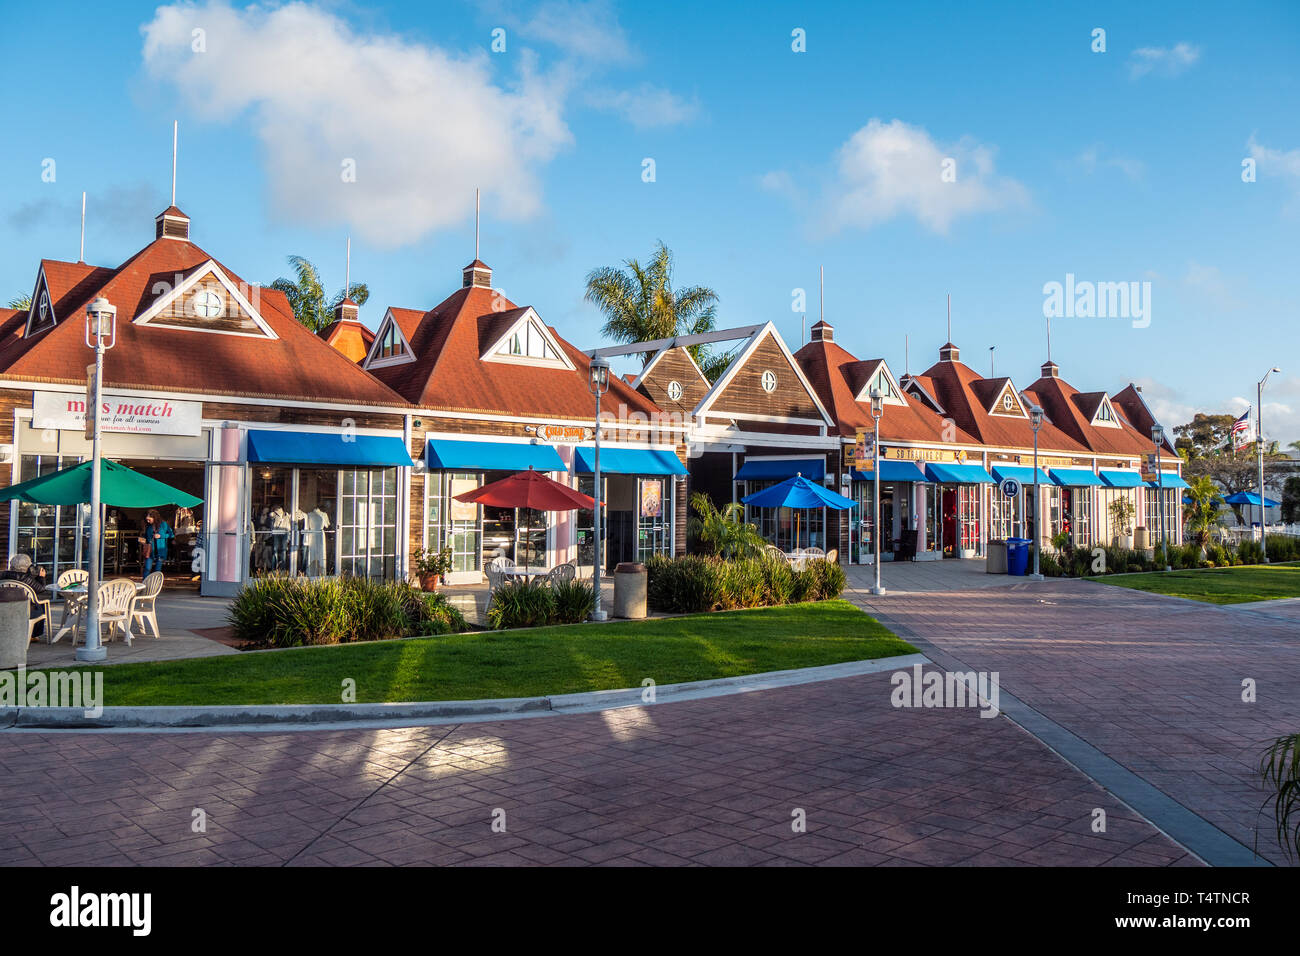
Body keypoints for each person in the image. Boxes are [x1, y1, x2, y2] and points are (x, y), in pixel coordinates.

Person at [0, 553, 48, 638]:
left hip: (3, 608)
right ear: (28, 567)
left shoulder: (2, 575)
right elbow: (41, 589)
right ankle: (33, 635)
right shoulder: (26, 579)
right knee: (41, 605)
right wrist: (41, 577)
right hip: (23, 609)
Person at [140, 510, 173, 578]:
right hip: (150, 550)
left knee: (157, 570)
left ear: (154, 518)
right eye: (147, 520)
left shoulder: (164, 524)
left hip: (160, 550)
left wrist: (161, 536)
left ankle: (155, 585)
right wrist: (142, 541)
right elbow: (144, 536)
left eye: (149, 520)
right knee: (147, 569)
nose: (148, 521)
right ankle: (145, 584)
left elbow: (171, 535)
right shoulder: (147, 526)